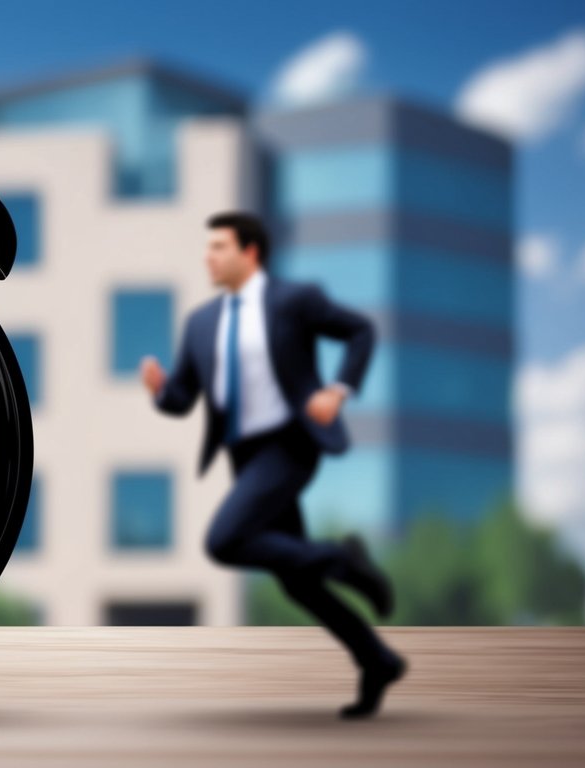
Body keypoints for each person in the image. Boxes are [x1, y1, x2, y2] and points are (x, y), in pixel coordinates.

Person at [140, 211, 406, 719]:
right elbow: (182, 398)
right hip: (244, 456)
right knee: (296, 580)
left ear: (250, 252)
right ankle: (377, 660)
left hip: (290, 444)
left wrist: (338, 390)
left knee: (223, 540)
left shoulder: (294, 300)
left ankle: (344, 561)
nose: (208, 257)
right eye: (207, 247)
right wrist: (159, 390)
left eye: (219, 246)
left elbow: (360, 332)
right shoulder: (201, 322)